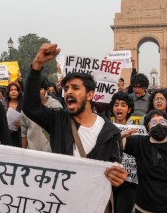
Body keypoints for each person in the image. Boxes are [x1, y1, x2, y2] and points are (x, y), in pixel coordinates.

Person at [23, 44, 128, 209]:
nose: (69, 92)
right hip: (63, 202)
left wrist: (118, 177)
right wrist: (37, 65)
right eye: (66, 89)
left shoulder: (111, 132)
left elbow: (115, 170)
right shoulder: (58, 120)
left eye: (75, 88)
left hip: (95, 206)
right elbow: (31, 107)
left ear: (90, 94)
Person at [109, 92, 138, 213]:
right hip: (108, 178)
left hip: (129, 181)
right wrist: (120, 136)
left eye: (123, 105)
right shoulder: (105, 126)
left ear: (129, 109)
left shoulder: (138, 129)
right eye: (116, 105)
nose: (119, 108)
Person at [21, 77, 62, 151]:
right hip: (32, 154)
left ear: (46, 90)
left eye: (40, 89)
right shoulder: (26, 109)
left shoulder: (55, 106)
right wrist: (23, 154)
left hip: (51, 155)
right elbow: (24, 132)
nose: (36, 92)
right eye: (33, 89)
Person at [4, 82, 23, 147]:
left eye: (15, 90)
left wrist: (22, 125)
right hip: (6, 136)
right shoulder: (4, 104)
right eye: (11, 90)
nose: (13, 92)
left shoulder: (23, 105)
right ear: (8, 92)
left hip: (19, 136)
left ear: (19, 92)